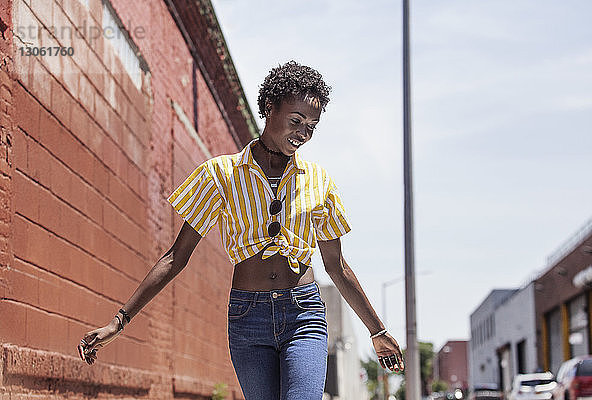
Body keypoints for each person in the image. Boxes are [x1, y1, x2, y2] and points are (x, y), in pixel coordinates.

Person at [78, 60, 404, 400]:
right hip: (248, 317)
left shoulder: (319, 182)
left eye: (312, 126)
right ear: (269, 108)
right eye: (296, 120)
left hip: (304, 314)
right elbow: (176, 258)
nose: (303, 133)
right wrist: (119, 321)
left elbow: (337, 266)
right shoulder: (221, 175)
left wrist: (376, 330)